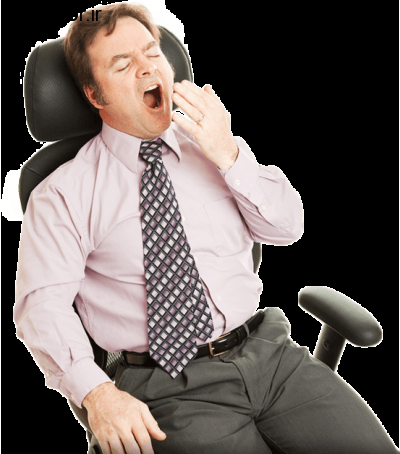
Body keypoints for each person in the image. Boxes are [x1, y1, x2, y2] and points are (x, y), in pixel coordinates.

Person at [14, 4, 398, 454]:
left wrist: (229, 154)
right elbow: (41, 307)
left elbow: (287, 228)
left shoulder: (211, 146)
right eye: (123, 64)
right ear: (94, 94)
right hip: (168, 386)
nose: (147, 68)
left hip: (271, 355)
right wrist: (96, 393)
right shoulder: (62, 193)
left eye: (151, 52)